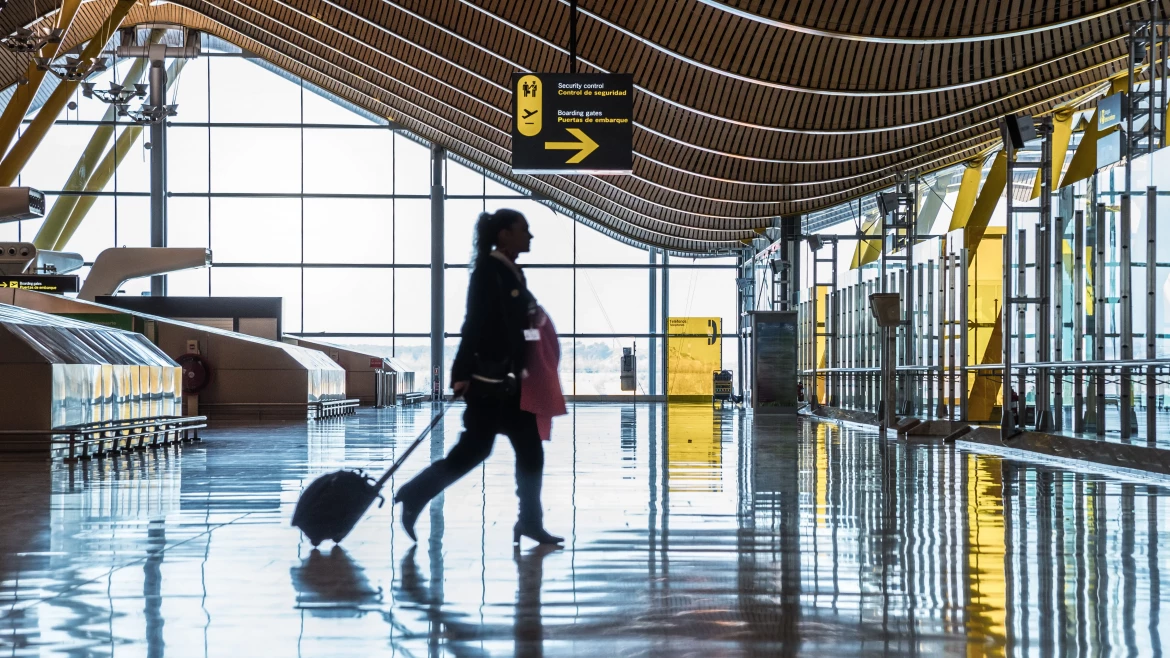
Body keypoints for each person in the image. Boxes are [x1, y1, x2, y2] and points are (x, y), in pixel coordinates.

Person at [394, 208, 563, 546]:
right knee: (473, 451)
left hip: (510, 385)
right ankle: (414, 493)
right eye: (523, 229)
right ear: (504, 233)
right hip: (489, 385)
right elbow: (473, 321)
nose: (529, 236)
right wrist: (459, 373)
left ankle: (530, 522)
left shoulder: (511, 272)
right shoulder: (489, 270)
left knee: (529, 452)